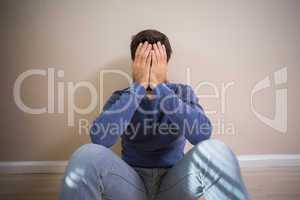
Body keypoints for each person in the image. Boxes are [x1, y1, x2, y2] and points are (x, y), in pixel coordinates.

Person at [59, 29, 249, 200]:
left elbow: (202, 135)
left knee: (217, 150)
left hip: (174, 183)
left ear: (165, 64)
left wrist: (159, 87)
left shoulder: (182, 93)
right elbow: (101, 139)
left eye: (156, 62)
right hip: (132, 185)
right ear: (135, 64)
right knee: (86, 154)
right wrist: (139, 87)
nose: (150, 68)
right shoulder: (122, 97)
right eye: (144, 62)